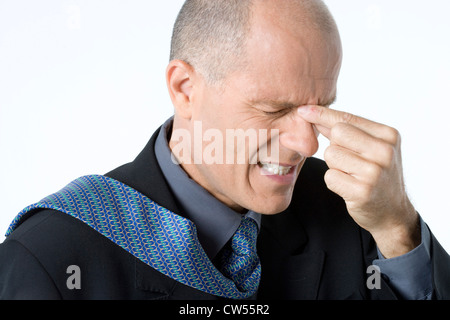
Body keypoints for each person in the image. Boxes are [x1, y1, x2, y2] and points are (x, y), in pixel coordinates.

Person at [0, 0, 449, 300]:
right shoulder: (49, 259)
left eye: (320, 110)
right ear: (185, 88)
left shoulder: (351, 207)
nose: (309, 144)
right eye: (275, 109)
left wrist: (397, 228)